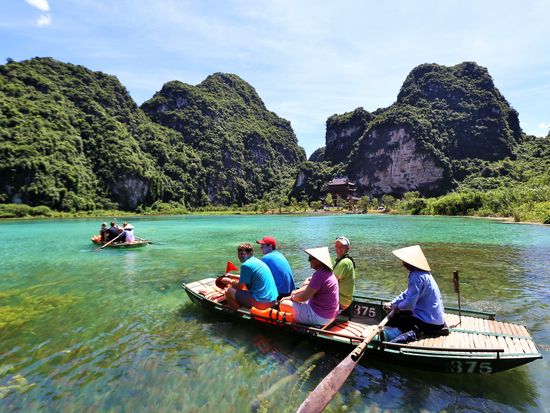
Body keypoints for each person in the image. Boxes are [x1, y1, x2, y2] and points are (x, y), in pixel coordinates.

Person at [383, 245, 446, 343]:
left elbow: (409, 305)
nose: (403, 264)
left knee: (405, 323)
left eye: (405, 261)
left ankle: (391, 343)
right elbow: (406, 293)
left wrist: (396, 307)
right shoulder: (424, 274)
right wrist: (392, 304)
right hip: (436, 317)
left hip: (428, 320)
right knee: (400, 316)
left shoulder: (416, 276)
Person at [279, 247, 339, 326]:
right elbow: (309, 289)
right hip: (330, 314)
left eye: (310, 258)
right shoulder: (327, 273)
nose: (308, 260)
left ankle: (295, 322)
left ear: (317, 261)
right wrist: (295, 293)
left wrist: (291, 297)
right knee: (298, 296)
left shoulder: (319, 275)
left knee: (283, 303)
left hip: (320, 317)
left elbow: (304, 297)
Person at [222, 243, 278, 310]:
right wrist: (232, 276)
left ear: (250, 254)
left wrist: (229, 281)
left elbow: (239, 287)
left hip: (263, 303)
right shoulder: (257, 261)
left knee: (228, 291)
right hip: (273, 300)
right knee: (243, 287)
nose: (240, 256)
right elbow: (249, 277)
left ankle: (237, 311)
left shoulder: (246, 265)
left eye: (243, 254)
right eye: (239, 254)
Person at [256, 236, 296, 300]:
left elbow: (257, 278)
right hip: (290, 291)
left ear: (270, 246)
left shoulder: (266, 258)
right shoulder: (279, 254)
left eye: (263, 246)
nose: (261, 248)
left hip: (280, 294)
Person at [333, 236, 356, 311]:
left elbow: (329, 281)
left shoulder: (344, 262)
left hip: (341, 302)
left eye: (342, 246)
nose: (338, 248)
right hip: (345, 301)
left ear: (348, 248)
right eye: (337, 246)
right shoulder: (341, 260)